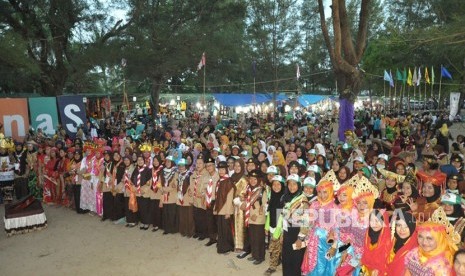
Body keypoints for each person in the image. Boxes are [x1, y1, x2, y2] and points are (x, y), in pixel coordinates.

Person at [280, 174, 309, 276]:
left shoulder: (303, 200)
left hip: (297, 234)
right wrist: (282, 234)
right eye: (289, 184)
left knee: (296, 262)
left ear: (299, 185)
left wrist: (300, 239)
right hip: (287, 233)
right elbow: (284, 217)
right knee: (286, 260)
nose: (292, 187)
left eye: (294, 184)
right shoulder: (286, 198)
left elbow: (306, 222)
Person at [239, 169, 267, 265]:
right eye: (251, 179)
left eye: (255, 179)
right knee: (252, 238)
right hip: (249, 217)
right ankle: (254, 255)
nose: (252, 181)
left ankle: (260, 257)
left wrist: (258, 214)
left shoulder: (262, 191)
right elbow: (245, 201)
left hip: (258, 218)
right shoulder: (248, 189)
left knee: (259, 238)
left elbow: (264, 206)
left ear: (259, 180)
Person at [264, 175, 285, 275]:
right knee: (274, 247)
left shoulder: (285, 199)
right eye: (274, 184)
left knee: (275, 248)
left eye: (278, 184)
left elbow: (285, 217)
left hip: (281, 228)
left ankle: (274, 264)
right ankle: (275, 263)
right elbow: (269, 212)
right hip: (272, 225)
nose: (276, 187)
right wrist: (267, 227)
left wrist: (282, 232)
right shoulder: (272, 196)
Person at [386, 209, 418, 275]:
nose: (402, 230)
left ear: (412, 227)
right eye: (399, 225)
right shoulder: (391, 240)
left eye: (406, 226)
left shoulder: (415, 248)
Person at [360, 210, 391, 275]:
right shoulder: (367, 234)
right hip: (365, 269)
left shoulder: (389, 240)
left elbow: (387, 260)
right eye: (372, 220)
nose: (374, 224)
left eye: (378, 220)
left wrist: (378, 269)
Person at [214, 161, 235, 254]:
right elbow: (217, 196)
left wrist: (227, 212)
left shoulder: (228, 181)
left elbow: (230, 198)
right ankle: (222, 244)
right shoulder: (220, 180)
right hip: (219, 209)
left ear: (226, 170)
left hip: (226, 209)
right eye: (219, 169)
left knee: (226, 229)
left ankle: (227, 247)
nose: (221, 171)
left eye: (223, 169)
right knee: (221, 229)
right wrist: (215, 207)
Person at [176, 158, 194, 237]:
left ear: (186, 166)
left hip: (187, 197)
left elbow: (191, 187)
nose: (181, 167)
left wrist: (190, 199)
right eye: (179, 166)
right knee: (182, 216)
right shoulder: (178, 174)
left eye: (182, 166)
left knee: (189, 216)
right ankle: (183, 230)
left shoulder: (190, 174)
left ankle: (190, 232)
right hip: (180, 197)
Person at [203, 156, 219, 246]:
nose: (209, 167)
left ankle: (219, 238)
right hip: (208, 201)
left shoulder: (218, 176)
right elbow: (202, 189)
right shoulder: (205, 177)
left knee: (217, 221)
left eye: (210, 165)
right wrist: (203, 195)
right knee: (210, 221)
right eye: (207, 166)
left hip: (216, 201)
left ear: (214, 166)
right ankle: (212, 238)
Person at [160, 155, 178, 234]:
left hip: (172, 195)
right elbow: (158, 182)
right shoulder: (162, 171)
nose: (167, 163)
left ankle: (173, 229)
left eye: (169, 161)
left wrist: (167, 189)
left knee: (172, 213)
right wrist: (161, 189)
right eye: (166, 161)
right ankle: (166, 229)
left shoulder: (175, 172)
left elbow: (176, 184)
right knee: (165, 213)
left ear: (172, 162)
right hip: (164, 195)